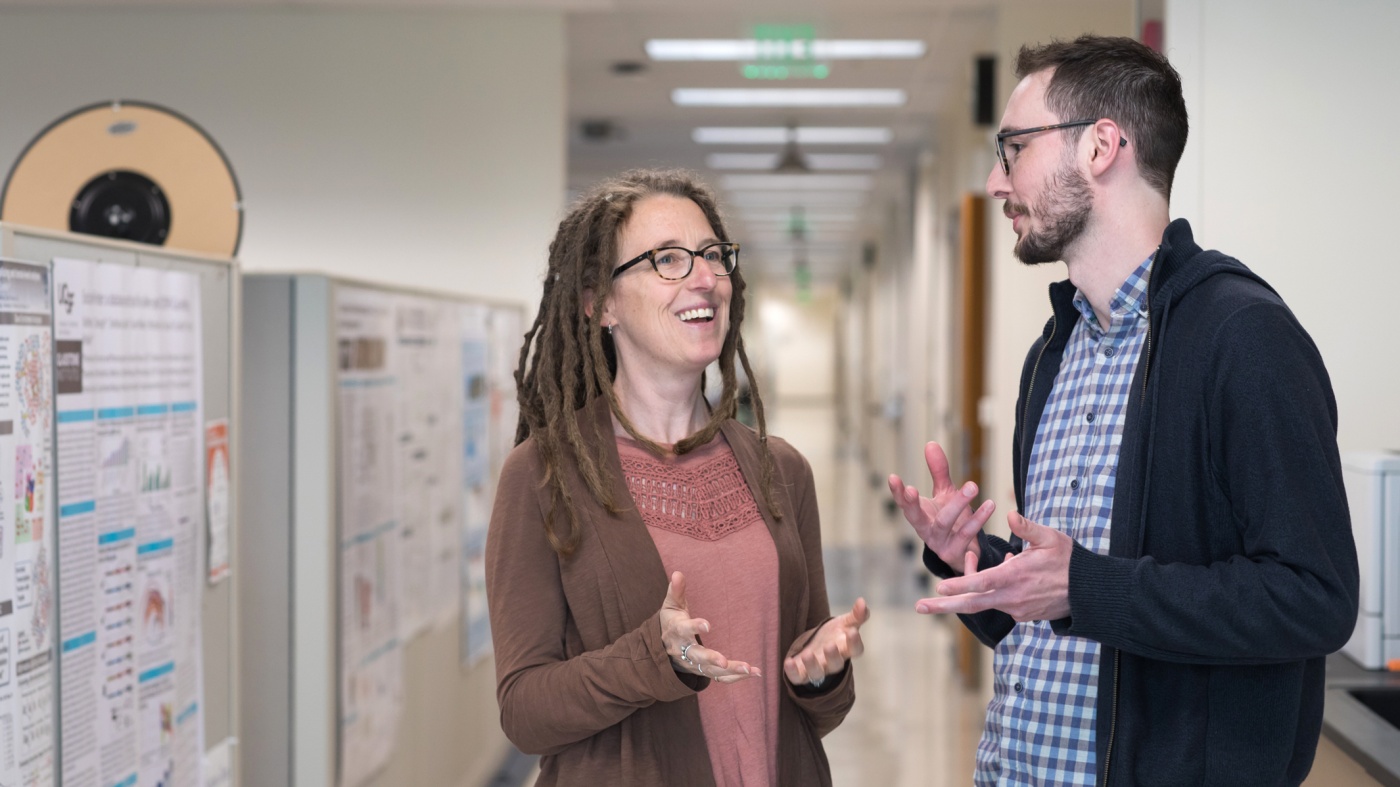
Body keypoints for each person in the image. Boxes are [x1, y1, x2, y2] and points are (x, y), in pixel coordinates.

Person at [888, 35, 1358, 786]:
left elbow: (1315, 598)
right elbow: (1059, 615)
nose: (994, 180)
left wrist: (1083, 587)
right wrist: (977, 565)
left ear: (1102, 145)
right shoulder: (1055, 349)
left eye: (1013, 148)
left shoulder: (1244, 338)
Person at [487, 168, 868, 786]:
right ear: (600, 302)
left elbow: (808, 710)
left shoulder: (782, 471)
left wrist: (820, 671)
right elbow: (525, 713)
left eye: (714, 256)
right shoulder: (543, 475)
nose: (706, 278)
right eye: (668, 259)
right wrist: (652, 659)